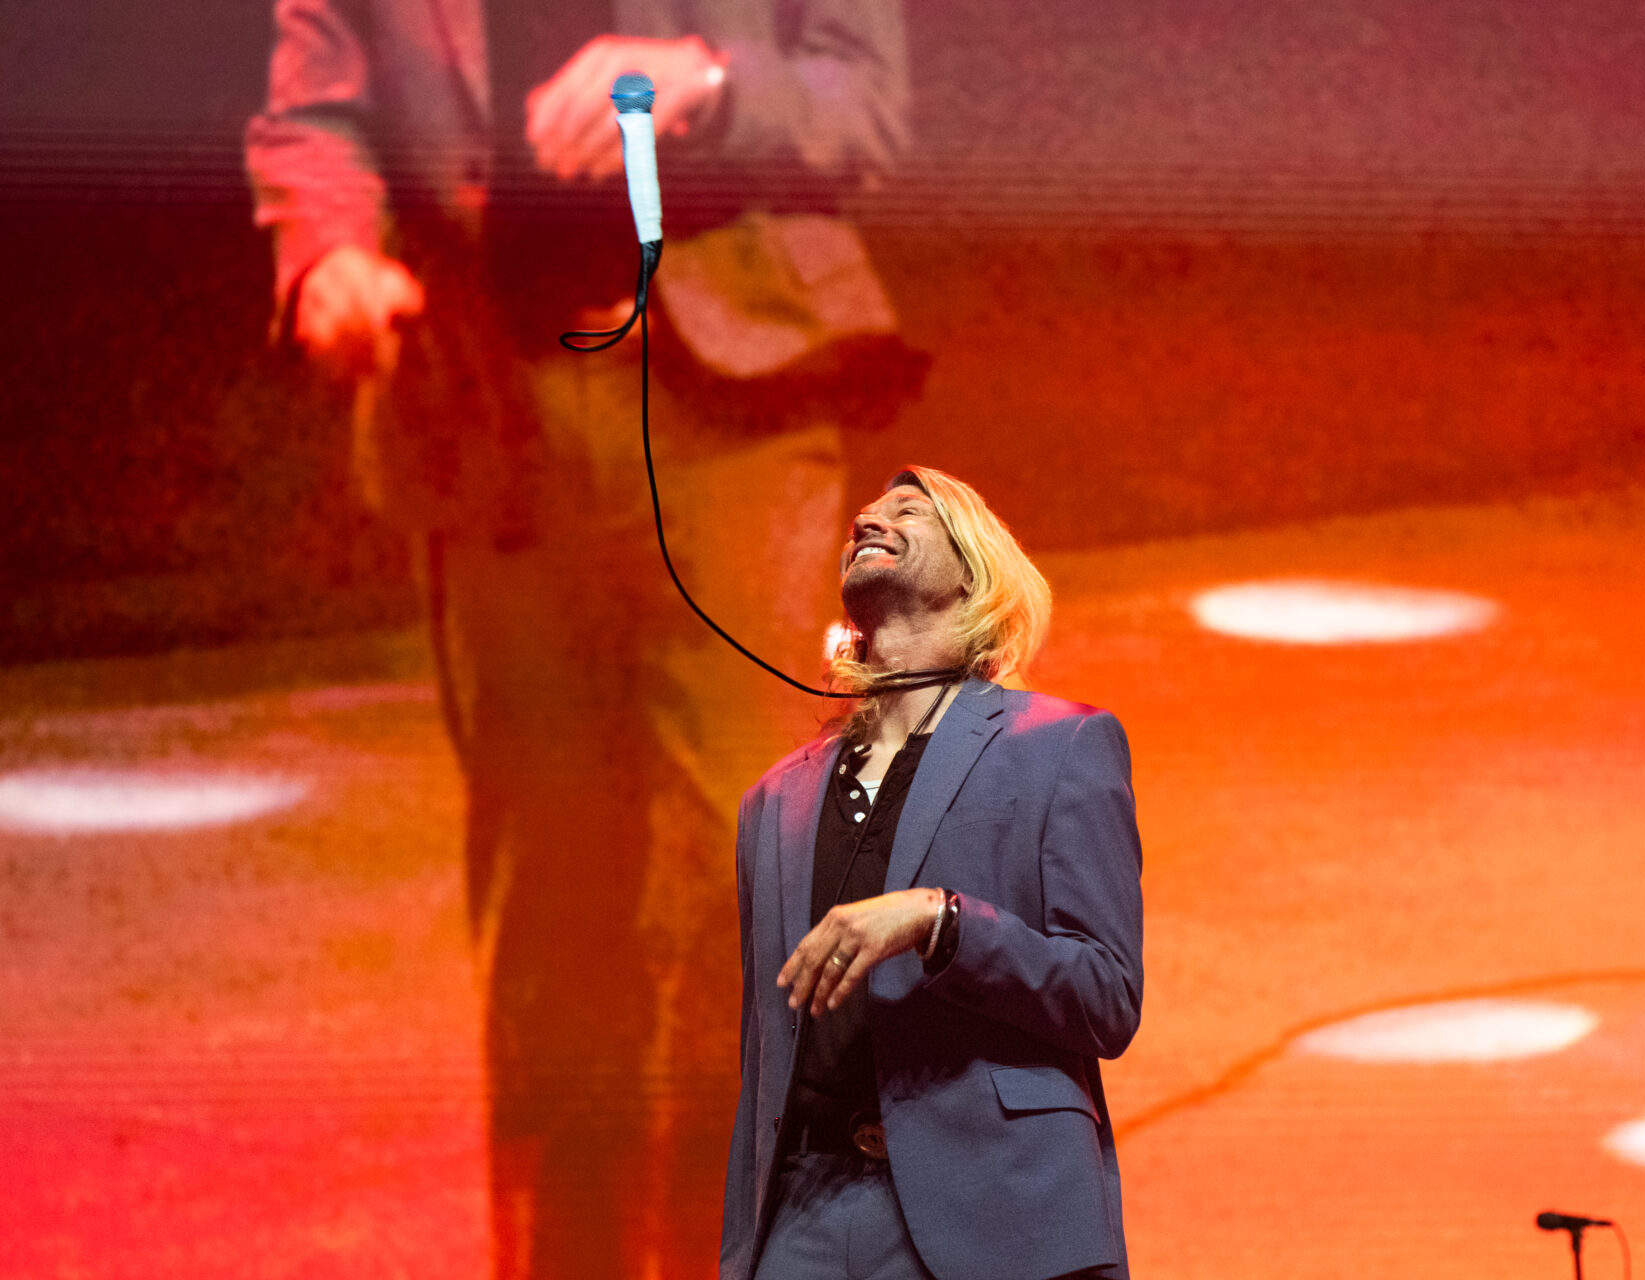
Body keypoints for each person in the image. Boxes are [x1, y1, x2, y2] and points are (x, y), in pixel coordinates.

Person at [246, 3, 913, 1279]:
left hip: (729, 405)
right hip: (493, 412)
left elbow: (862, 106)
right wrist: (326, 253)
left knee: (751, 898)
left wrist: (700, 80)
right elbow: (317, 114)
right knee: (551, 933)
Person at [725, 466, 1145, 1280]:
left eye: (909, 510)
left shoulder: (1059, 744)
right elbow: (763, 1055)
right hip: (805, 1222)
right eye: (863, 515)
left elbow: (1107, 997)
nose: (868, 520)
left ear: (973, 573)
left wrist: (942, 921)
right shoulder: (772, 802)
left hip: (996, 1214)